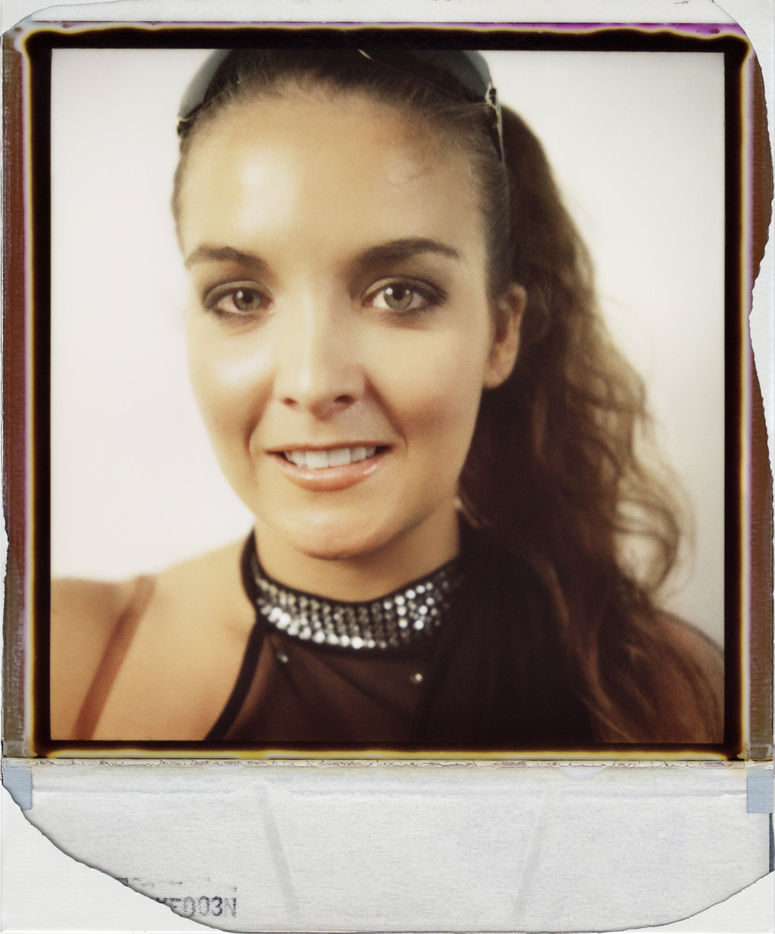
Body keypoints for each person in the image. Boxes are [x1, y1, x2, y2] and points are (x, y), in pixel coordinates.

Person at [51, 47, 723, 746]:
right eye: (241, 297)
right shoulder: (62, 658)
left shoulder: (660, 691)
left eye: (399, 294)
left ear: (500, 333)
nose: (312, 383)